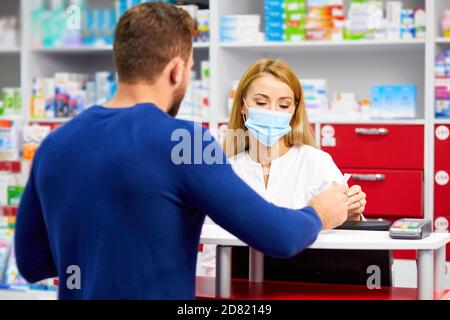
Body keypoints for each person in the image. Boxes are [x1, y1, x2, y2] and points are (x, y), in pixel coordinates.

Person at [15, 3, 349, 300]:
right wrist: (320, 211)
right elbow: (279, 237)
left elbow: (31, 264)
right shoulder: (185, 143)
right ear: (177, 70)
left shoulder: (55, 144)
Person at [198, 59, 366, 276]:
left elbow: (352, 244)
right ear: (242, 106)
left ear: (294, 110)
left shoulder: (317, 163)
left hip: (305, 284)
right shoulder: (226, 170)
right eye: (261, 103)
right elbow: (213, 257)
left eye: (284, 105)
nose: (272, 112)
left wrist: (353, 215)